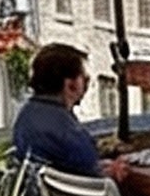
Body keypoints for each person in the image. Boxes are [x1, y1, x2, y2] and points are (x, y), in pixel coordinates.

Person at [11, 43, 130, 182]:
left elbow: (78, 167)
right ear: (70, 85)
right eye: (84, 79)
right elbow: (92, 176)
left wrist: (100, 167)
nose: (86, 85)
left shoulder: (26, 115)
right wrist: (115, 170)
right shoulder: (67, 130)